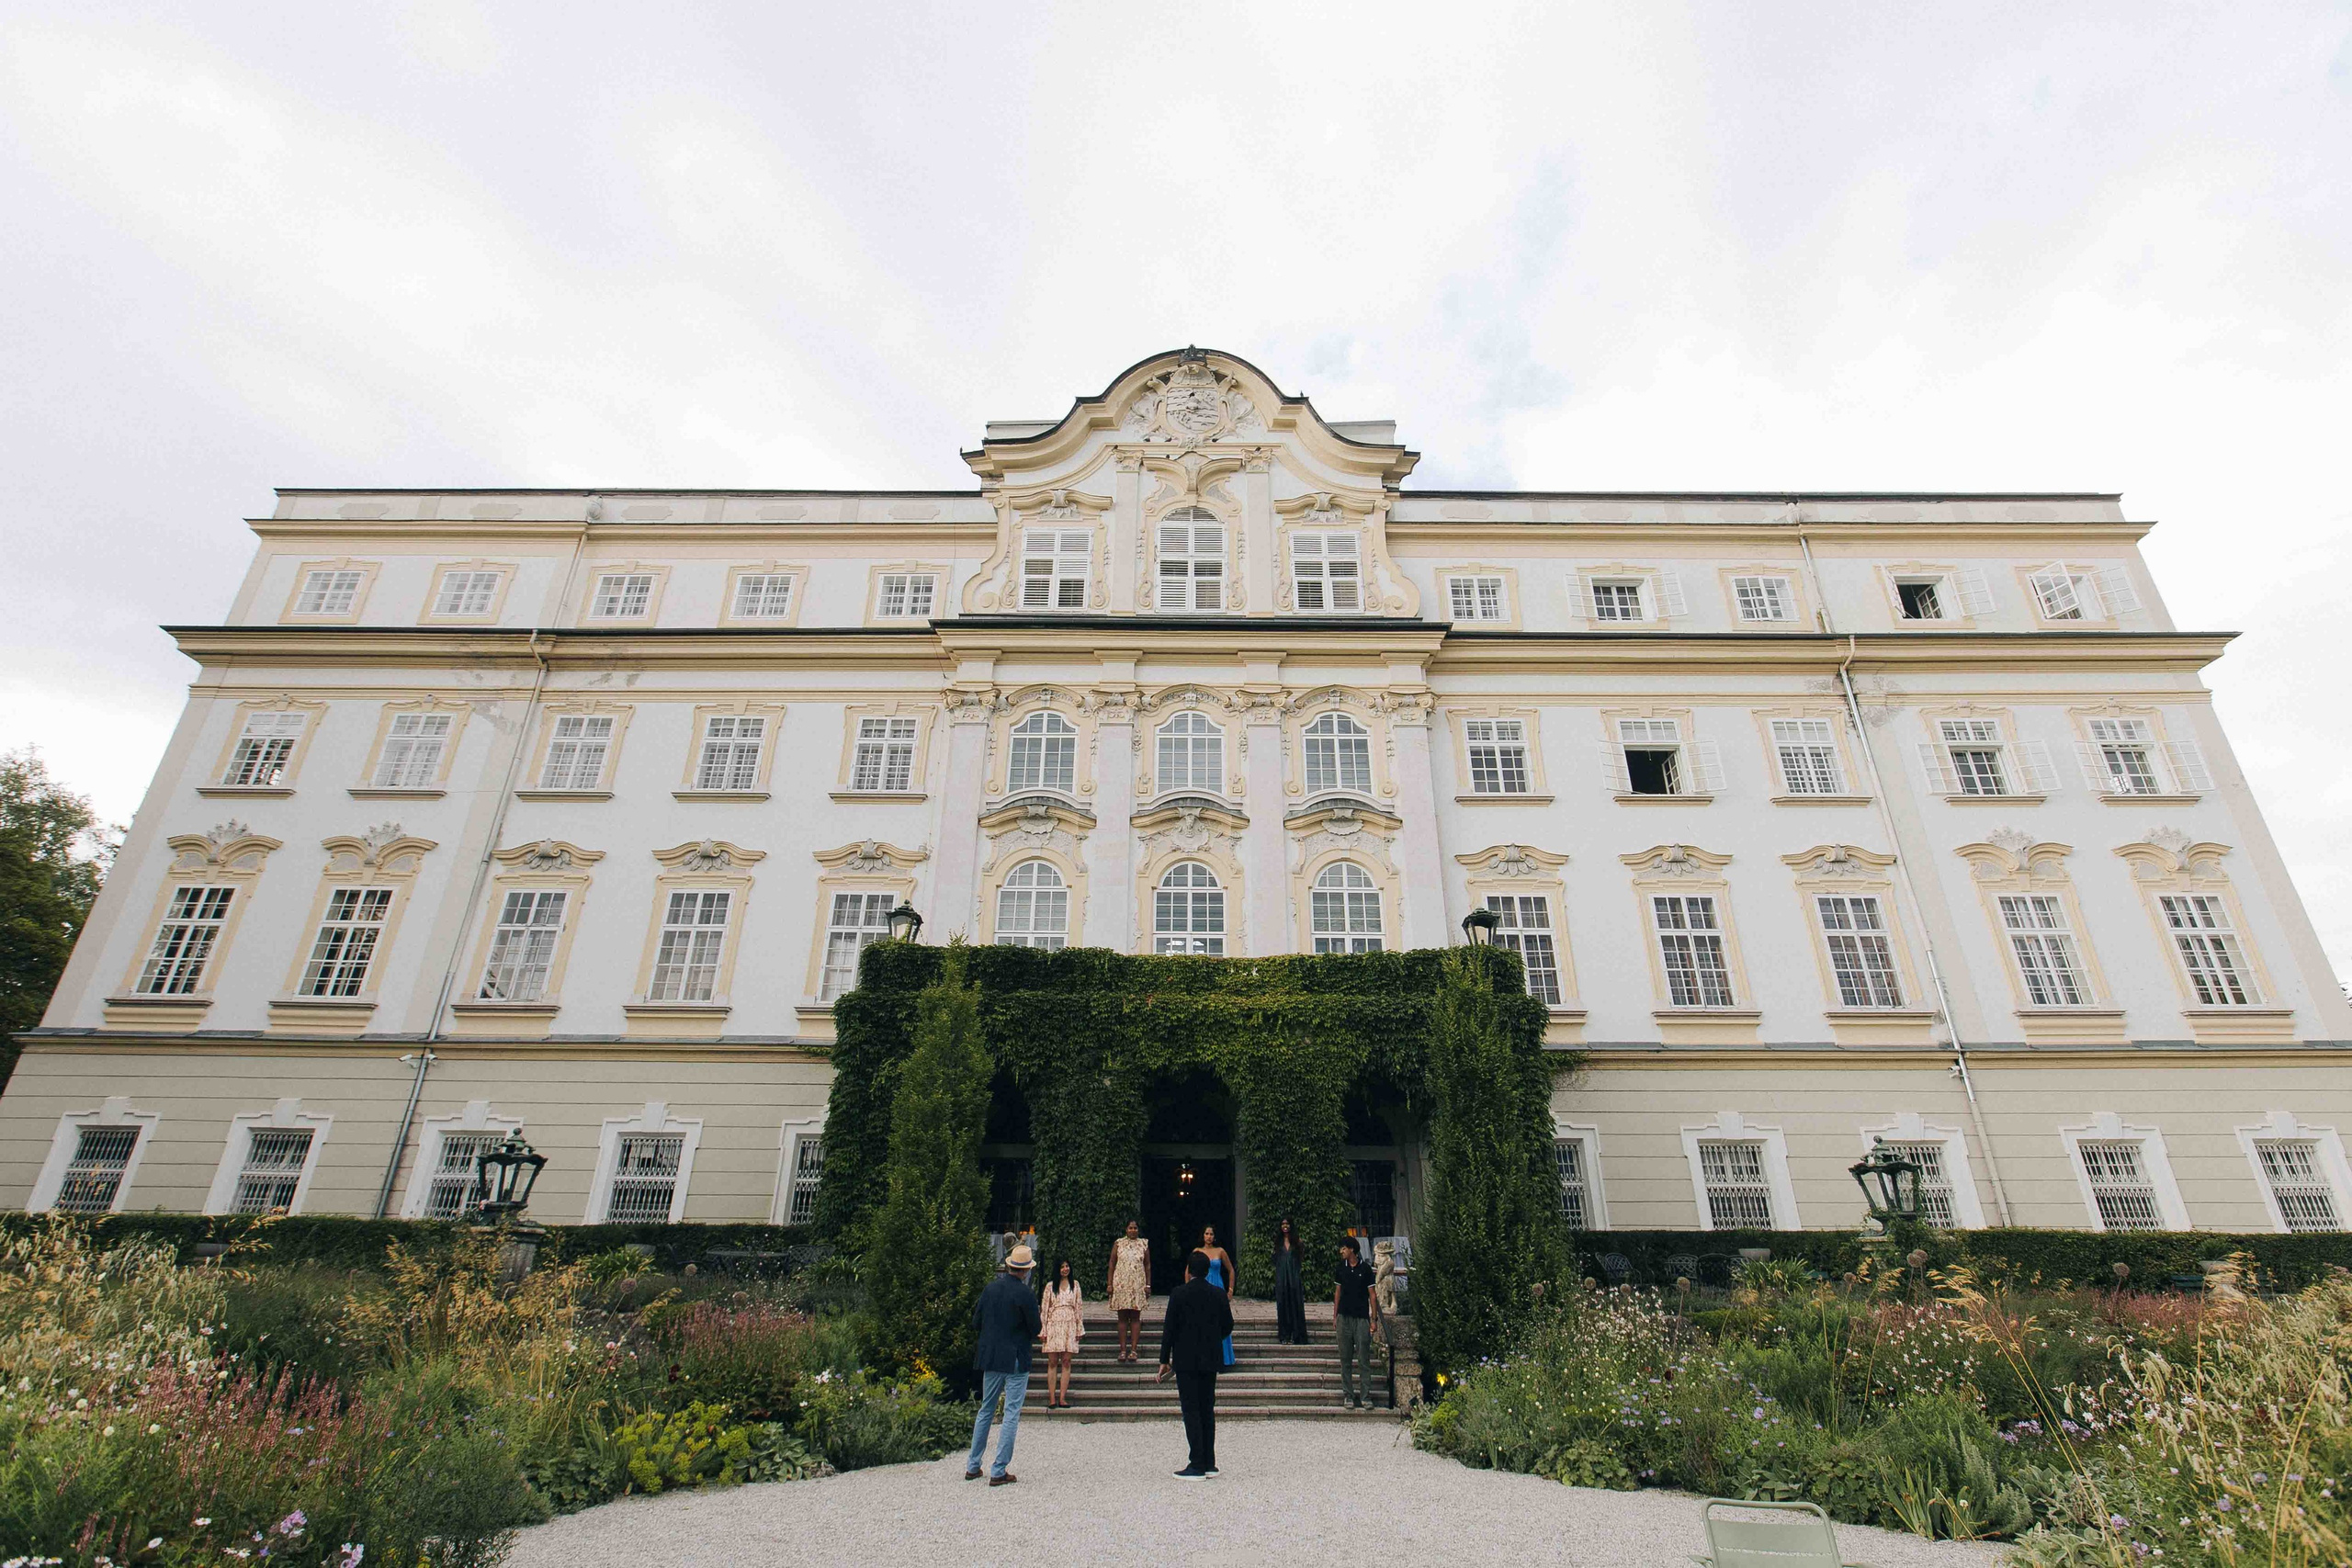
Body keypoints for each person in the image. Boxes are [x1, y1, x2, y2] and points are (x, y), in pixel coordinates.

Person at [966, 1244, 1041, 1485]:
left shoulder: (990, 1289)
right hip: (1016, 1357)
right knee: (1011, 1413)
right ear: (1026, 1271)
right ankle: (998, 1469)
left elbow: (976, 1322)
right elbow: (1036, 1329)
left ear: (1009, 1266)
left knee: (986, 1409)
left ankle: (973, 1465)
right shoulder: (1026, 1295)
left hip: (992, 1357)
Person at [1157, 1248, 1235, 1478]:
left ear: (1189, 1271)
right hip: (1210, 1358)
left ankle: (1196, 1463)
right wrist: (1212, 1339)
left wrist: (1164, 1359)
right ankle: (1210, 1462)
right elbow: (1228, 1325)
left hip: (1186, 1359)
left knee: (1191, 1410)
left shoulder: (1179, 1294)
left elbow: (1169, 1329)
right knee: (1207, 1409)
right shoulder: (1219, 1294)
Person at [1332, 1237, 1380, 1410]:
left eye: (1343, 1248)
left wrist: (1373, 1319)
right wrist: (1335, 1316)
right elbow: (1337, 1293)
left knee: (1363, 1358)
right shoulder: (1340, 1269)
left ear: (1352, 1249)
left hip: (1361, 1317)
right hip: (1344, 1317)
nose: (1341, 1251)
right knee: (1345, 1358)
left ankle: (1366, 1395)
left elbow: (1372, 1295)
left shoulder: (1366, 1269)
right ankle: (1348, 1394)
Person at [1039, 1258, 1084, 1408]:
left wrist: (1079, 1328)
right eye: (1062, 1266)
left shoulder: (1075, 1285)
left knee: (1066, 1361)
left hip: (1070, 1324)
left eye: (1067, 1266)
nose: (1065, 1269)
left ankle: (1062, 1397)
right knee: (1052, 1361)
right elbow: (1044, 1309)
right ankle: (1052, 1397)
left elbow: (1079, 1307)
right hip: (1054, 1324)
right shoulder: (1050, 1286)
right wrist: (1043, 1329)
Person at [1107, 1219, 1151, 1363]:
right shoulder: (1119, 1243)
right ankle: (1122, 1350)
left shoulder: (1143, 1244)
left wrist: (1148, 1285)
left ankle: (1133, 1350)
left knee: (1135, 1316)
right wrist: (1110, 1284)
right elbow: (1112, 1263)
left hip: (1137, 1284)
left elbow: (1147, 1265)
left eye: (1135, 1228)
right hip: (1121, 1284)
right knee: (1122, 1317)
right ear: (1126, 1229)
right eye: (1130, 1228)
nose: (1133, 1230)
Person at [1198, 1224, 1236, 1368]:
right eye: (1206, 1233)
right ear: (1203, 1236)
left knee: (1220, 1321)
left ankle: (1224, 1359)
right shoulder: (1197, 1252)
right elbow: (1188, 1272)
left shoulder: (1220, 1251)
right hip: (1202, 1287)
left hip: (1218, 1287)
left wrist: (1230, 1290)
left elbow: (1231, 1270)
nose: (1209, 1237)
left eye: (1211, 1234)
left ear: (1215, 1236)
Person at [1271, 1217, 1307, 1345]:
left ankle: (1296, 1335)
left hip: (1293, 1277)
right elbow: (1274, 1259)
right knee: (1283, 1306)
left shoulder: (1297, 1242)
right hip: (1281, 1277)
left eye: (1287, 1224)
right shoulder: (1278, 1242)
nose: (1285, 1226)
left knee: (1295, 1305)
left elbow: (1300, 1258)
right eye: (1283, 1224)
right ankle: (1284, 1335)